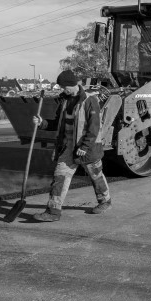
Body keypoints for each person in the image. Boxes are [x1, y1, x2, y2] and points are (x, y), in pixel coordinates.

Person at [31, 70, 111, 222]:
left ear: (72, 84)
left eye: (64, 86)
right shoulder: (64, 101)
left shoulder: (89, 100)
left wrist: (85, 146)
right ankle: (53, 211)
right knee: (59, 177)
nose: (63, 89)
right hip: (67, 147)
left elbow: (94, 128)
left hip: (88, 148)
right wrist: (42, 123)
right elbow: (58, 123)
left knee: (96, 175)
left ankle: (105, 201)